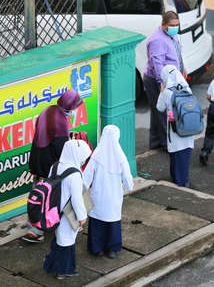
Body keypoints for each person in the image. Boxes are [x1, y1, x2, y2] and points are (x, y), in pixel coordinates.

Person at [23, 89, 83, 243]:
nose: (76, 110)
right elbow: (61, 150)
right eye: (75, 107)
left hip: (37, 159)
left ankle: (34, 228)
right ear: (69, 106)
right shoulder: (61, 122)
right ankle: (44, 228)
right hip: (49, 165)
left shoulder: (48, 110)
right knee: (53, 197)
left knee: (38, 194)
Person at [43, 140, 92, 279]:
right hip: (67, 214)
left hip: (53, 212)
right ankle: (63, 271)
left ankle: (53, 265)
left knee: (60, 239)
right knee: (67, 242)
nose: (83, 160)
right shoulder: (75, 174)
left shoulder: (55, 166)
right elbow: (77, 199)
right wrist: (82, 217)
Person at [83, 125, 134, 259]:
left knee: (97, 221)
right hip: (114, 195)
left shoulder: (97, 155)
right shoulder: (120, 156)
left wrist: (81, 189)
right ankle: (112, 248)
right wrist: (130, 187)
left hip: (98, 195)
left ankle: (96, 248)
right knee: (113, 221)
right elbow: (127, 175)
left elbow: (86, 176)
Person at [144, 10, 187, 151]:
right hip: (158, 79)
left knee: (159, 112)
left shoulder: (171, 35)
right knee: (162, 111)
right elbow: (157, 63)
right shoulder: (157, 40)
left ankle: (156, 141)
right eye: (172, 25)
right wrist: (161, 82)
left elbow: (177, 52)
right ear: (163, 25)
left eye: (177, 24)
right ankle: (164, 143)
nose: (175, 27)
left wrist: (183, 68)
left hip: (170, 78)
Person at [156, 65, 195, 187]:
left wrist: (161, 92)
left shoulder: (168, 92)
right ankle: (183, 180)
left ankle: (179, 183)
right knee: (184, 158)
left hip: (175, 131)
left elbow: (159, 107)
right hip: (188, 129)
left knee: (176, 157)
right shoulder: (187, 88)